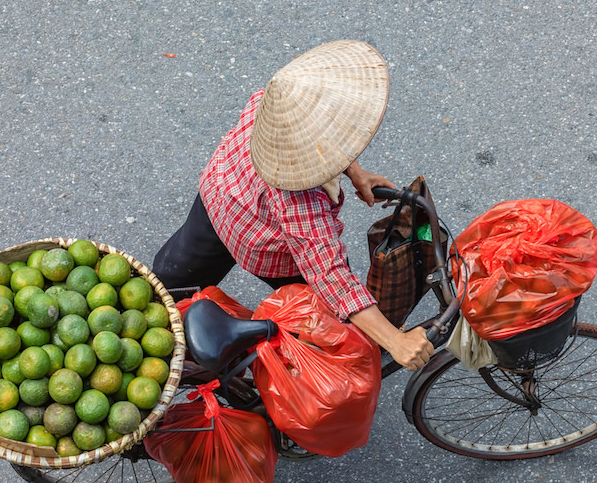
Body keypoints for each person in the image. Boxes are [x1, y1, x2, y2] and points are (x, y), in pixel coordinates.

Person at [153, 40, 433, 370]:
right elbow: (332, 276)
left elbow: (325, 140)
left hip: (220, 190)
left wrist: (355, 172)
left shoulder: (275, 103)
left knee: (168, 286)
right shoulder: (299, 199)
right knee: (323, 319)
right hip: (254, 237)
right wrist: (394, 340)